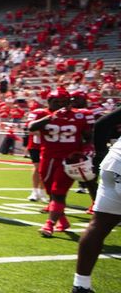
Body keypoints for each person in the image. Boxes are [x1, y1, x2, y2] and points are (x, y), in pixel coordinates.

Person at [28, 88, 95, 237]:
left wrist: (88, 148)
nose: (59, 105)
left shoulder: (81, 115)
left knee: (59, 191)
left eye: (63, 102)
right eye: (56, 102)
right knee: (51, 191)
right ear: (49, 102)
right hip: (47, 157)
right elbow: (31, 128)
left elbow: (89, 135)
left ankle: (49, 224)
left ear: (69, 102)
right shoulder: (41, 113)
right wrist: (51, 117)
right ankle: (63, 220)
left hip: (69, 159)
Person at [72, 105, 121, 293]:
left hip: (114, 161)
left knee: (99, 224)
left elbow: (102, 124)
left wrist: (100, 154)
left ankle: (81, 285)